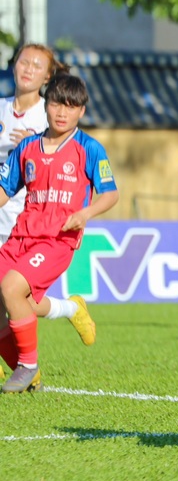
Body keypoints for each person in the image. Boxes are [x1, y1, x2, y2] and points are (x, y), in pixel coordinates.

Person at [0, 74, 119, 392]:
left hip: (57, 240)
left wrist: (85, 213)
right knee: (6, 299)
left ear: (81, 111)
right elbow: (4, 188)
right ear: (46, 105)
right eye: (56, 103)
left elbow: (110, 194)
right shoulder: (27, 147)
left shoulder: (89, 149)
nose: (62, 112)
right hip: (20, 236)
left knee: (11, 288)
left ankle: (28, 364)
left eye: (71, 106)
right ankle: (28, 376)